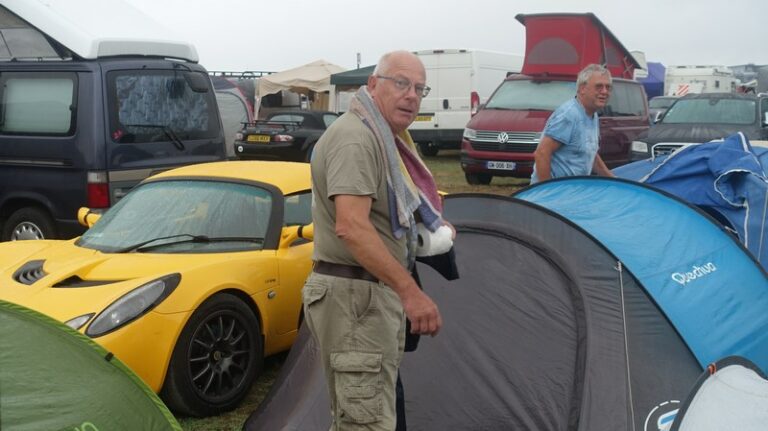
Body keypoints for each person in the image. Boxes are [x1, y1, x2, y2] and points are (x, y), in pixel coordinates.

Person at [302, 50, 445, 430]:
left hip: (364, 297)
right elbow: (352, 226)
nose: (411, 95)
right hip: (356, 299)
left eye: (419, 88)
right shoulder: (356, 139)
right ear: (373, 84)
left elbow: (379, 214)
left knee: (369, 414)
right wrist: (410, 293)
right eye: (401, 83)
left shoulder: (380, 137)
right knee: (364, 423)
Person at [530, 64, 617, 184]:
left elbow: (590, 154)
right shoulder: (569, 115)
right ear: (582, 88)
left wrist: (613, 181)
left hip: (574, 191)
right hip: (555, 192)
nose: (604, 91)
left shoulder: (592, 115)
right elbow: (541, 153)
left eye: (608, 87)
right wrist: (548, 189)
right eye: (598, 86)